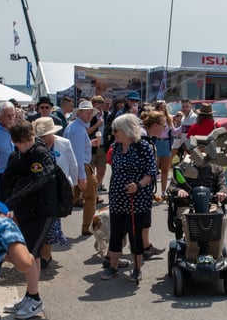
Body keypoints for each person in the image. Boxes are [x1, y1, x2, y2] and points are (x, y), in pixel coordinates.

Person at [1, 119, 57, 319]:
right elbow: (7, 180)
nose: (24, 145)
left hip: (42, 211)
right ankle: (30, 296)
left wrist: (13, 199)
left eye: (27, 140)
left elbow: (40, 180)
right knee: (34, 254)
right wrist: (7, 203)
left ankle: (34, 299)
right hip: (24, 211)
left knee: (30, 254)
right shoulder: (15, 155)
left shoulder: (41, 154)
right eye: (20, 142)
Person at [101, 114, 157, 282]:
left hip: (137, 197)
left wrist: (138, 185)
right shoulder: (116, 147)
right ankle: (113, 266)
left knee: (135, 234)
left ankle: (137, 269)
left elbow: (152, 173)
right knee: (116, 231)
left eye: (116, 130)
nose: (113, 133)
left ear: (126, 130)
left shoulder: (143, 147)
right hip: (117, 195)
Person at [167, 145, 227, 261]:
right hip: (187, 203)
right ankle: (192, 256)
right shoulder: (183, 167)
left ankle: (215, 256)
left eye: (204, 149)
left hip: (210, 204)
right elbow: (171, 187)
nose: (202, 152)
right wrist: (179, 190)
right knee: (190, 220)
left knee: (221, 220)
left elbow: (223, 185)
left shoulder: (216, 168)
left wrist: (222, 192)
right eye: (199, 150)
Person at [33, 116, 78, 268]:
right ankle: (42, 252)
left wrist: (73, 184)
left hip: (58, 189)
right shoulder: (33, 146)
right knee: (41, 221)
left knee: (51, 221)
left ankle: (46, 253)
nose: (43, 138)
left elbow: (73, 164)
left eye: (45, 135)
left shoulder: (64, 143)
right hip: (39, 189)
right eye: (40, 136)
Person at [63, 100, 101, 236]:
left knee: (71, 197)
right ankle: (88, 227)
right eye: (87, 113)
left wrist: (90, 143)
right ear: (79, 113)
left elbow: (75, 150)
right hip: (82, 167)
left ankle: (52, 224)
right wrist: (82, 176)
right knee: (90, 196)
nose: (89, 115)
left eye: (91, 113)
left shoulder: (74, 127)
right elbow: (78, 155)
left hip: (78, 167)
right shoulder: (78, 129)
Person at [151, 101, 174, 201]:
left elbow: (174, 131)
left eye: (164, 107)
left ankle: (164, 193)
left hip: (166, 143)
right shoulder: (153, 119)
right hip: (157, 143)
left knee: (165, 170)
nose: (162, 109)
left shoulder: (169, 119)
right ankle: (151, 192)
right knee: (153, 170)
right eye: (161, 107)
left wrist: (183, 127)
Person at [89, 95, 108, 192]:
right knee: (91, 173)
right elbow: (87, 132)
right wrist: (97, 124)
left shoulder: (107, 115)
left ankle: (94, 190)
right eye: (96, 106)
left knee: (101, 172)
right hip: (91, 146)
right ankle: (92, 193)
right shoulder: (89, 117)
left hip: (103, 147)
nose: (98, 108)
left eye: (100, 106)